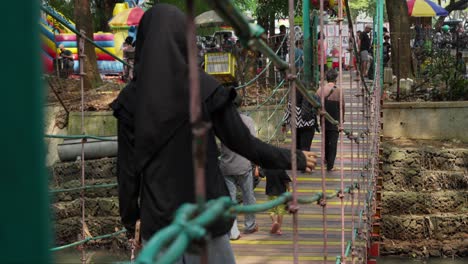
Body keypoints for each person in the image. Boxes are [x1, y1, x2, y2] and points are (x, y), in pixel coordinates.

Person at [111, 4, 317, 263]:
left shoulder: (130, 100)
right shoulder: (206, 88)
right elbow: (245, 144)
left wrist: (132, 221)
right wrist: (294, 158)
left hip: (160, 227)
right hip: (208, 219)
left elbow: (127, 173)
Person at [219, 95, 258, 241]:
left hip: (226, 166)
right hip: (244, 166)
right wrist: (257, 164)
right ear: (241, 105)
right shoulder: (247, 121)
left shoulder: (222, 122)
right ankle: (250, 225)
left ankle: (233, 231)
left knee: (231, 199)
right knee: (248, 196)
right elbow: (254, 143)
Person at [316, 69, 343, 171]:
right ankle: (330, 165)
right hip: (335, 119)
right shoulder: (339, 91)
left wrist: (319, 116)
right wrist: (341, 122)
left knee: (326, 139)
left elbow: (316, 105)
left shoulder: (320, 90)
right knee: (333, 142)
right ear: (336, 79)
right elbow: (342, 107)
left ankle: (326, 159)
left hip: (324, 118)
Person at [282, 87, 318, 152]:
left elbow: (288, 113)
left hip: (296, 127)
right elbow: (316, 110)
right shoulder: (310, 98)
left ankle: (299, 161)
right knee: (306, 148)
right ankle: (305, 161)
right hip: (308, 126)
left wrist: (284, 124)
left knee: (297, 148)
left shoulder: (292, 100)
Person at [261, 168, 291, 235]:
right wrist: (289, 190)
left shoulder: (267, 168)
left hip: (270, 192)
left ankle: (274, 222)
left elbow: (260, 174)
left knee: (271, 210)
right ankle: (279, 229)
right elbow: (286, 181)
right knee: (280, 211)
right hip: (281, 193)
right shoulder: (281, 169)